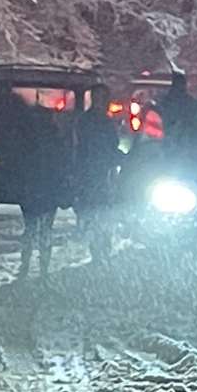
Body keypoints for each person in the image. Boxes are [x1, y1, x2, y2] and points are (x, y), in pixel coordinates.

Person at [14, 105, 70, 281]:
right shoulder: (55, 139)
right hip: (47, 190)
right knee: (45, 229)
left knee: (30, 228)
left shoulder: (25, 140)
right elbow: (61, 165)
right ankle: (43, 269)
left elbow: (20, 166)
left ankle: (25, 266)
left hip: (32, 190)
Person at [73, 84, 121, 264]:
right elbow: (97, 148)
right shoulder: (90, 121)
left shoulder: (98, 120)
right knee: (97, 212)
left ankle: (101, 248)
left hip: (99, 173)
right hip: (93, 173)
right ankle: (99, 249)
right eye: (99, 97)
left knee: (100, 213)